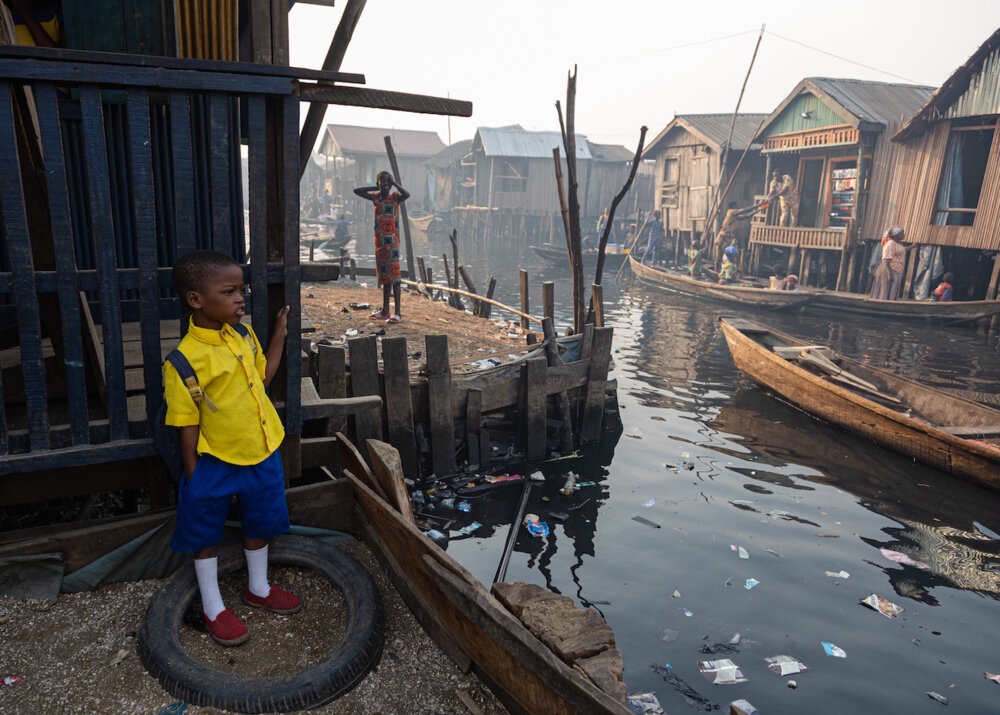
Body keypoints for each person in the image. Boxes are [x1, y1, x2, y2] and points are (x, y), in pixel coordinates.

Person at [164, 250, 298, 647]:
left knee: (261, 519)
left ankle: (258, 587)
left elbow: (263, 377)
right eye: (230, 291)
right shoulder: (184, 361)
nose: (241, 298)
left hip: (262, 449)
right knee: (204, 532)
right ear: (195, 300)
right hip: (214, 462)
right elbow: (186, 426)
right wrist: (194, 477)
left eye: (242, 289)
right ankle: (212, 606)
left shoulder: (242, 334)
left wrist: (279, 335)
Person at [354, 171, 410, 323]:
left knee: (395, 278)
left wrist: (394, 183)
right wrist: (377, 186)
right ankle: (385, 311)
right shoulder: (376, 198)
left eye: (387, 182)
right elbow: (357, 191)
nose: (385, 184)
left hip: (392, 244)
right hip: (379, 243)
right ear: (378, 183)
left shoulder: (395, 198)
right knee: (385, 278)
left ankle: (397, 313)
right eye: (382, 182)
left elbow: (407, 194)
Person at [870, 225, 910, 300]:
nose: (903, 235)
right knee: (885, 290)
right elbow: (886, 259)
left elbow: (902, 250)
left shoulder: (898, 244)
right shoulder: (890, 244)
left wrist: (912, 246)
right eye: (902, 233)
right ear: (896, 235)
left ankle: (887, 304)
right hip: (888, 269)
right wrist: (890, 273)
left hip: (896, 270)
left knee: (891, 290)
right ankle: (882, 304)